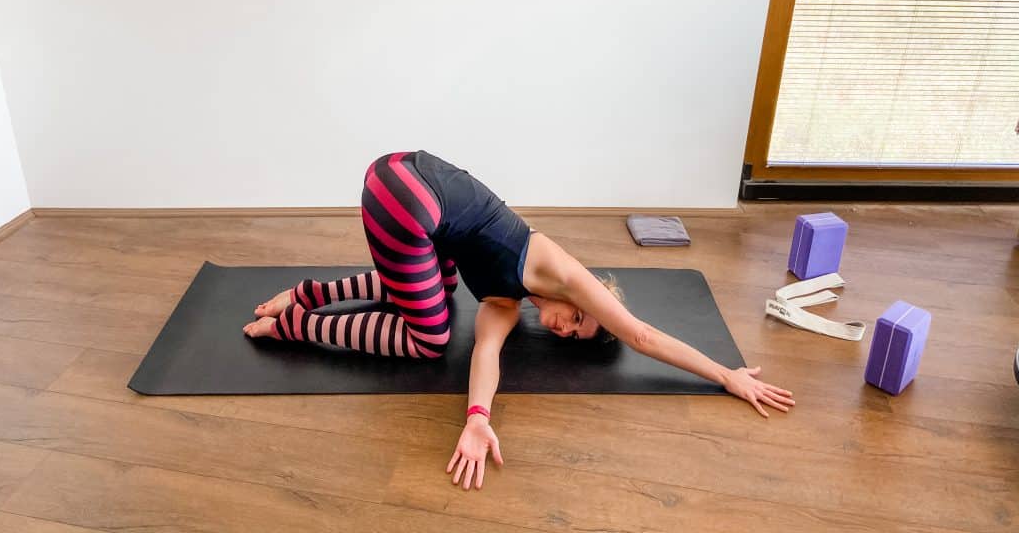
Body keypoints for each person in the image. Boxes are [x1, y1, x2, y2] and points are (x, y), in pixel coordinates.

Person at [243, 150, 795, 490]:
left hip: (401, 178)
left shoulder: (504, 303)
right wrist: (727, 375)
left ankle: (306, 295)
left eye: (572, 335)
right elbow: (640, 334)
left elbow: (486, 356)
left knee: (439, 286)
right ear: (590, 296)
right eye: (579, 319)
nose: (564, 326)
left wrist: (478, 417)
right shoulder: (559, 266)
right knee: (430, 337)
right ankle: (293, 325)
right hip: (409, 194)